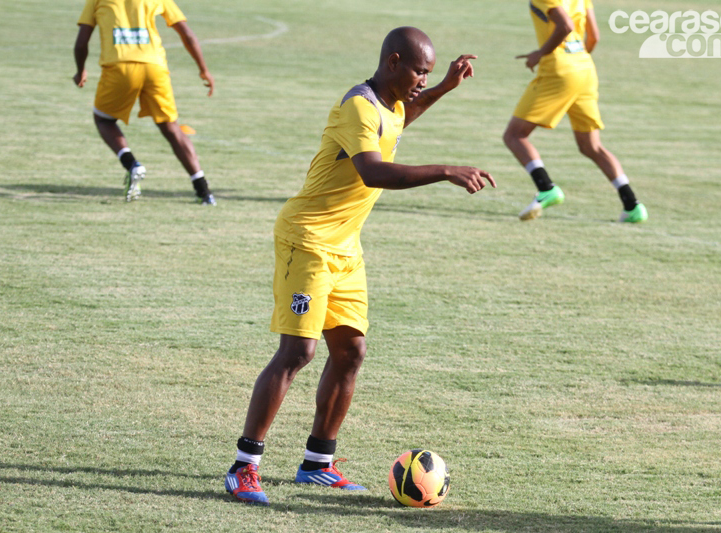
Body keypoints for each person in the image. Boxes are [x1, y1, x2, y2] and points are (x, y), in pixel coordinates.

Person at [224, 27, 495, 506]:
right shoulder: (358, 106)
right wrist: (446, 170)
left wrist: (443, 89)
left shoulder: (389, 104)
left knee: (350, 353)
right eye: (418, 71)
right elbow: (374, 170)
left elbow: (401, 119)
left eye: (427, 73)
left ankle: (317, 464)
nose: (421, 80)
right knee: (298, 353)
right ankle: (244, 467)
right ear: (393, 61)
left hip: (346, 248)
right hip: (306, 240)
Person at [503, 0, 648, 222]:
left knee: (514, 135)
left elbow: (566, 25)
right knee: (591, 146)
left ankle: (546, 188)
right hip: (585, 68)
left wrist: (540, 53)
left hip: (559, 71)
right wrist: (577, 60)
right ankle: (632, 206)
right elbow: (594, 36)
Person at [73, 0, 216, 205]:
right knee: (171, 127)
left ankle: (132, 165)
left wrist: (80, 70)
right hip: (154, 67)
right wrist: (204, 69)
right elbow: (187, 34)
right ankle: (204, 190)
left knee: (104, 120)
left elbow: (81, 42)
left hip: (119, 68)